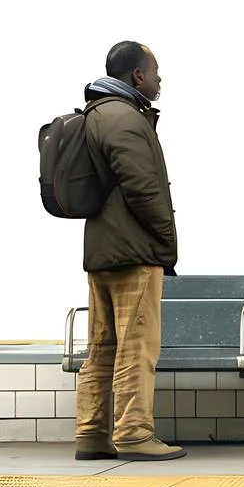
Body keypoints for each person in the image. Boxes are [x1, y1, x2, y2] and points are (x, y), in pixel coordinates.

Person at [72, 41, 186, 462]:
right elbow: (143, 187)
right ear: (137, 75)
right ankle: (134, 433)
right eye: (155, 71)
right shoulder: (124, 118)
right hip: (133, 251)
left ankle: (92, 433)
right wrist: (165, 240)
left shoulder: (96, 114)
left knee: (102, 347)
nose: (159, 79)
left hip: (102, 249)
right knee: (137, 346)